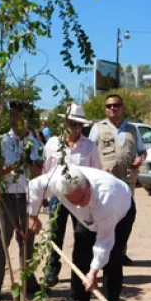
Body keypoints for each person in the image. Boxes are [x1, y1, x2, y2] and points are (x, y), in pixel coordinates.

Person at [28, 165, 134, 301]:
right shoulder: (55, 181)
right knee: (80, 255)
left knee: (112, 261)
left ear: (88, 185)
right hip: (87, 220)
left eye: (83, 197)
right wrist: (32, 215)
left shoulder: (107, 198)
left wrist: (93, 272)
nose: (79, 203)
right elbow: (33, 186)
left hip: (121, 215)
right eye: (73, 201)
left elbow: (104, 242)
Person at [0, 102, 42, 301]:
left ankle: (29, 283)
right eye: (12, 116)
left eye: (18, 116)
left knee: (27, 242)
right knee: (2, 242)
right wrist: (13, 166)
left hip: (26, 198)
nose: (14, 120)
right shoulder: (1, 141)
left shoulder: (34, 143)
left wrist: (29, 162)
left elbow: (39, 174)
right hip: (6, 198)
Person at [42, 103, 102, 287]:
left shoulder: (90, 147)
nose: (75, 127)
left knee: (83, 236)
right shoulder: (52, 144)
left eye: (79, 124)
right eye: (72, 123)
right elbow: (47, 169)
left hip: (81, 200)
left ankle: (82, 271)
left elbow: (96, 172)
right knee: (55, 234)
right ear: (65, 122)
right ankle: (51, 271)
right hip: (58, 197)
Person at [89, 94, 146, 265]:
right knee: (104, 216)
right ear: (105, 109)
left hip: (127, 181)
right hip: (105, 182)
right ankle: (101, 254)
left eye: (116, 105)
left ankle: (120, 251)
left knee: (126, 216)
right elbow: (89, 153)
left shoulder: (133, 129)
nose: (113, 108)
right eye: (109, 106)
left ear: (123, 107)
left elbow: (142, 151)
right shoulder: (98, 128)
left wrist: (140, 159)